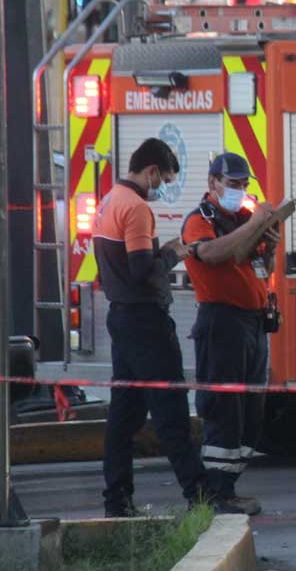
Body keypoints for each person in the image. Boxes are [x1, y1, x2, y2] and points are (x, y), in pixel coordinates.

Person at [96, 138, 208, 517]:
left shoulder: (109, 200)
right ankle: (199, 495)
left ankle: (117, 500)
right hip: (145, 322)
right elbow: (142, 269)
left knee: (124, 416)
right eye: (163, 180)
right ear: (151, 172)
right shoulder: (137, 209)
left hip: (122, 318)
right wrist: (173, 253)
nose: (162, 188)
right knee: (171, 409)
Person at [181, 153, 279, 516]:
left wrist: (271, 242)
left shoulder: (241, 218)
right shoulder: (199, 220)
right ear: (213, 183)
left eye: (243, 184)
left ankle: (228, 488)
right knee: (224, 411)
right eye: (233, 184)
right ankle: (217, 494)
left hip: (253, 324)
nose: (239, 191)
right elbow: (211, 254)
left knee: (252, 412)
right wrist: (253, 224)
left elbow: (261, 266)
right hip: (221, 323)